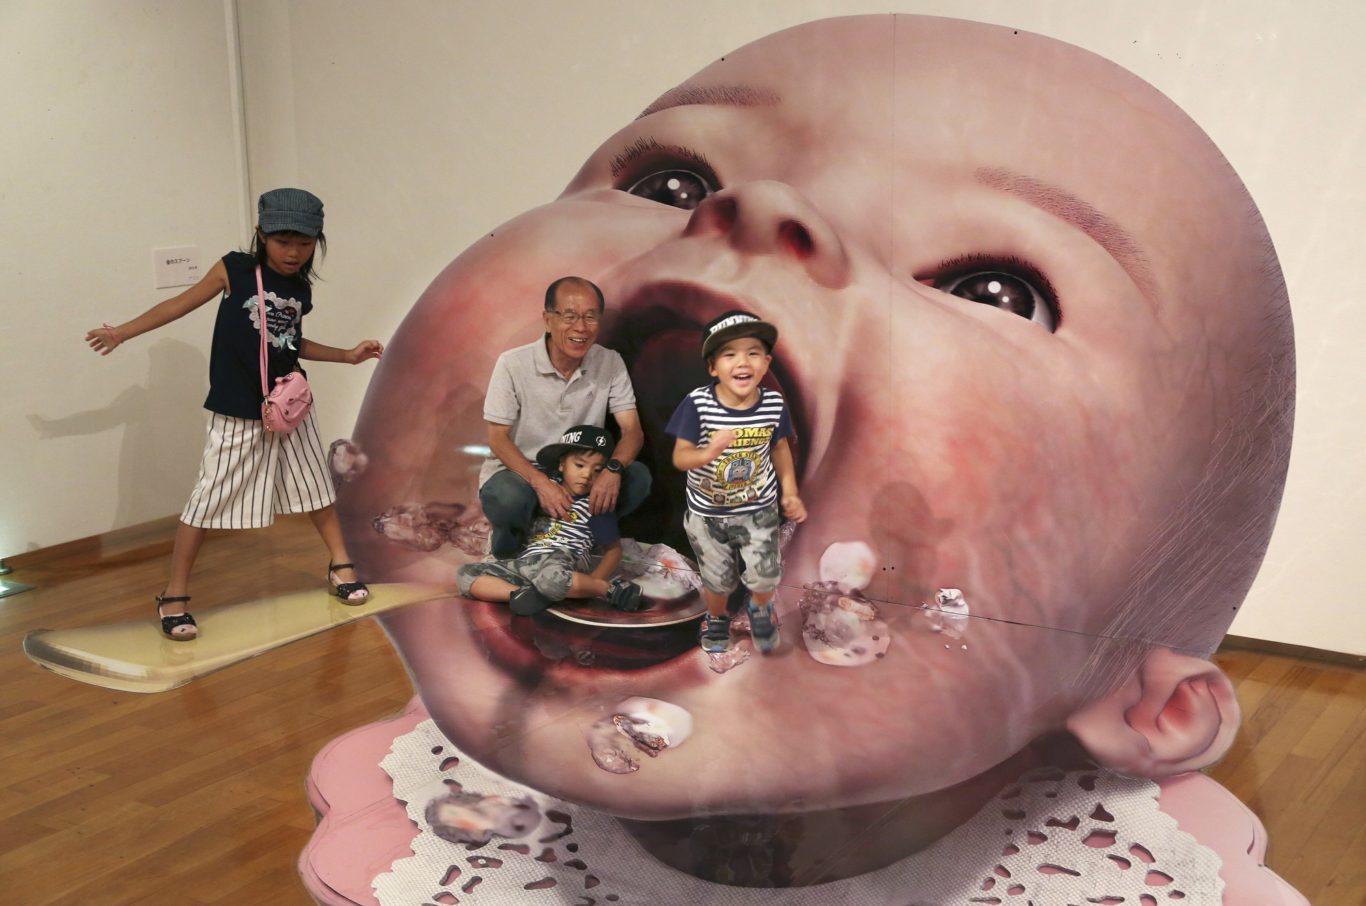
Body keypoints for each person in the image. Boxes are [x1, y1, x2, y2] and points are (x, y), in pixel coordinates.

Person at [330, 14, 1302, 903]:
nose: (763, 207)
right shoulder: (422, 823)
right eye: (671, 181)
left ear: (1151, 703)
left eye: (995, 287)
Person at [85, 188, 384, 640]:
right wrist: (121, 333)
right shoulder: (236, 269)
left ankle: (340, 567)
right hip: (238, 408)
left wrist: (346, 355)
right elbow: (176, 305)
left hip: (289, 404)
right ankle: (174, 595)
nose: (294, 253)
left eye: (304, 244)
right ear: (261, 234)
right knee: (206, 500)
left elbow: (288, 342)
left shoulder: (300, 287)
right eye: (284, 242)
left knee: (314, 484)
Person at [478, 276, 652, 559]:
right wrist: (541, 482)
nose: (581, 328)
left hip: (580, 470)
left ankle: (581, 536)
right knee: (507, 497)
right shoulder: (512, 363)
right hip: (522, 473)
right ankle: (511, 549)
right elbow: (497, 439)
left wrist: (613, 470)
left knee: (638, 478)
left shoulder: (610, 362)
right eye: (569, 316)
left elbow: (632, 430)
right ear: (548, 320)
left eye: (590, 317)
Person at [666, 310, 806, 653]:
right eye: (730, 354)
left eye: (753, 352)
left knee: (765, 574)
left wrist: (789, 492)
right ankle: (716, 619)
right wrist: (707, 452)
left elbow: (780, 447)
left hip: (759, 509)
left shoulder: (772, 404)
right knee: (718, 580)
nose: (742, 361)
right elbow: (680, 457)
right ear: (713, 367)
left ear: (767, 362)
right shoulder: (697, 405)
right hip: (708, 515)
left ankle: (760, 609)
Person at [456, 424, 644, 615]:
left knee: (551, 579)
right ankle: (522, 595)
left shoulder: (595, 506)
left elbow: (613, 549)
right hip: (526, 562)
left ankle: (612, 590)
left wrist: (596, 583)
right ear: (562, 464)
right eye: (579, 465)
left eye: (597, 470)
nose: (587, 475)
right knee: (466, 575)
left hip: (562, 560)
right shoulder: (543, 493)